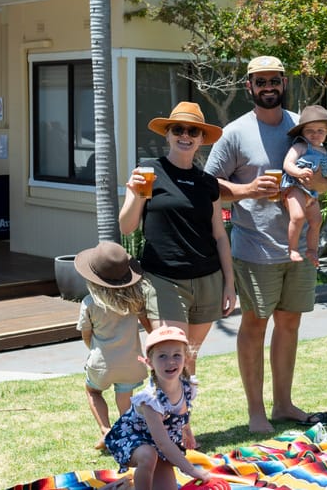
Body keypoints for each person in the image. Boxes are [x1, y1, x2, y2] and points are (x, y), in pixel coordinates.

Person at [206, 55, 327, 434]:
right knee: (255, 325)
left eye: (275, 80)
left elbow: (322, 180)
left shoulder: (304, 127)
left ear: (284, 83)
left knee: (289, 324)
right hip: (255, 248)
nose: (268, 86)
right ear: (249, 86)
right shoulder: (234, 133)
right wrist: (247, 189)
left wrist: (316, 180)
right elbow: (208, 187)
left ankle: (283, 404)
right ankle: (256, 412)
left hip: (298, 248)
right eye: (260, 81)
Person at [119, 102, 236, 380]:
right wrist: (134, 194)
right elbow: (127, 227)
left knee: (188, 359)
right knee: (169, 359)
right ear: (168, 134)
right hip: (164, 281)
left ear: (201, 139)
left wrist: (229, 284)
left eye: (193, 131)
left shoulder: (208, 183)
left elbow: (219, 235)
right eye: (178, 129)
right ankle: (162, 422)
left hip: (207, 280)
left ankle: (182, 423)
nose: (185, 135)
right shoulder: (147, 171)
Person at [104, 325, 211, 489]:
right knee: (148, 454)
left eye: (177, 355)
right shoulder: (151, 400)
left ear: (187, 358)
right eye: (162, 356)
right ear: (149, 363)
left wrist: (187, 431)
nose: (170, 361)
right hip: (131, 439)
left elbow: (182, 410)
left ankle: (122, 486)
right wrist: (191, 470)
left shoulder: (188, 386)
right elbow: (162, 443)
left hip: (159, 444)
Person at [75, 240, 148, 450]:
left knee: (93, 391)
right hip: (131, 363)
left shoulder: (90, 303)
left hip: (102, 363)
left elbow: (86, 334)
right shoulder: (135, 301)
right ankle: (126, 434)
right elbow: (147, 323)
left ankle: (106, 431)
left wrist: (93, 350)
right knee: (124, 398)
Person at [281, 104, 327, 266]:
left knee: (316, 221)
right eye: (310, 131)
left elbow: (322, 172)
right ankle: (293, 248)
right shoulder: (300, 146)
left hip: (312, 192)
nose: (315, 135)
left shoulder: (324, 151)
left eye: (320, 131)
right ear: (302, 132)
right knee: (298, 217)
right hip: (295, 186)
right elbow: (287, 164)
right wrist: (298, 172)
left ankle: (312, 249)